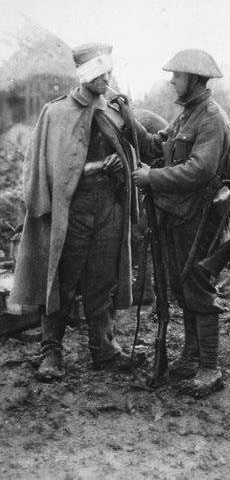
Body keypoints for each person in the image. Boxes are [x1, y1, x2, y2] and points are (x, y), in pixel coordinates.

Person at [11, 42, 137, 381]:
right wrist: (94, 168)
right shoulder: (57, 113)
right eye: (99, 73)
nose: (106, 79)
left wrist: (119, 167)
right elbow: (46, 168)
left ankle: (104, 349)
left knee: (101, 282)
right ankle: (51, 352)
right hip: (72, 210)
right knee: (61, 282)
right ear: (84, 75)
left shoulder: (113, 110)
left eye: (108, 72)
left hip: (108, 207)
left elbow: (133, 153)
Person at [117, 49, 230, 398]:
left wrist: (152, 177)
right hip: (179, 215)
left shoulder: (212, 118)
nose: (172, 80)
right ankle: (192, 356)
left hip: (199, 218)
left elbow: (201, 169)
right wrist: (128, 118)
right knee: (182, 286)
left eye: (177, 76)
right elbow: (155, 144)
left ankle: (210, 368)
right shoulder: (187, 116)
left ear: (195, 80)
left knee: (198, 287)